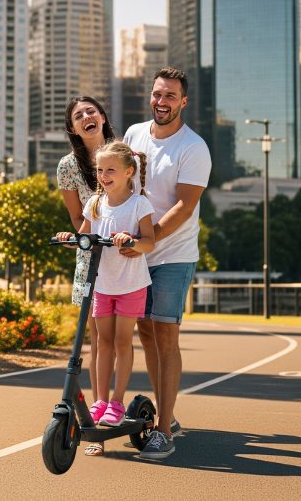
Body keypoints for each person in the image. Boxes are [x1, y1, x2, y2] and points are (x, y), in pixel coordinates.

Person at [121, 66, 211, 461]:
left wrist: (148, 240)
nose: (162, 102)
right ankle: (166, 413)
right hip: (137, 252)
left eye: (170, 96)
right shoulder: (133, 135)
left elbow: (184, 205)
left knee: (166, 334)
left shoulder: (194, 148)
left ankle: (163, 432)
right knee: (144, 329)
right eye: (158, 94)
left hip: (172, 252)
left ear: (183, 101)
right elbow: (121, 187)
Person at [57, 140, 154, 440]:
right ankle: (99, 400)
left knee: (123, 342)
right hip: (103, 284)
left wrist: (133, 242)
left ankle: (116, 401)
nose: (103, 175)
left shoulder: (139, 204)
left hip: (130, 284)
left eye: (110, 170)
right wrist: (70, 238)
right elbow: (84, 236)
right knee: (102, 343)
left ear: (129, 172)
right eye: (100, 170)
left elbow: (149, 241)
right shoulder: (95, 204)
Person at [56, 96, 115, 455]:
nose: (86, 117)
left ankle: (125, 409)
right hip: (91, 256)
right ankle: (96, 412)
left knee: (123, 338)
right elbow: (78, 220)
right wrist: (80, 238)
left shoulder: (127, 155)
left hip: (123, 253)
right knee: (95, 339)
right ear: (73, 129)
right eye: (78, 116)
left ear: (103, 117)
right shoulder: (67, 167)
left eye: (91, 111)